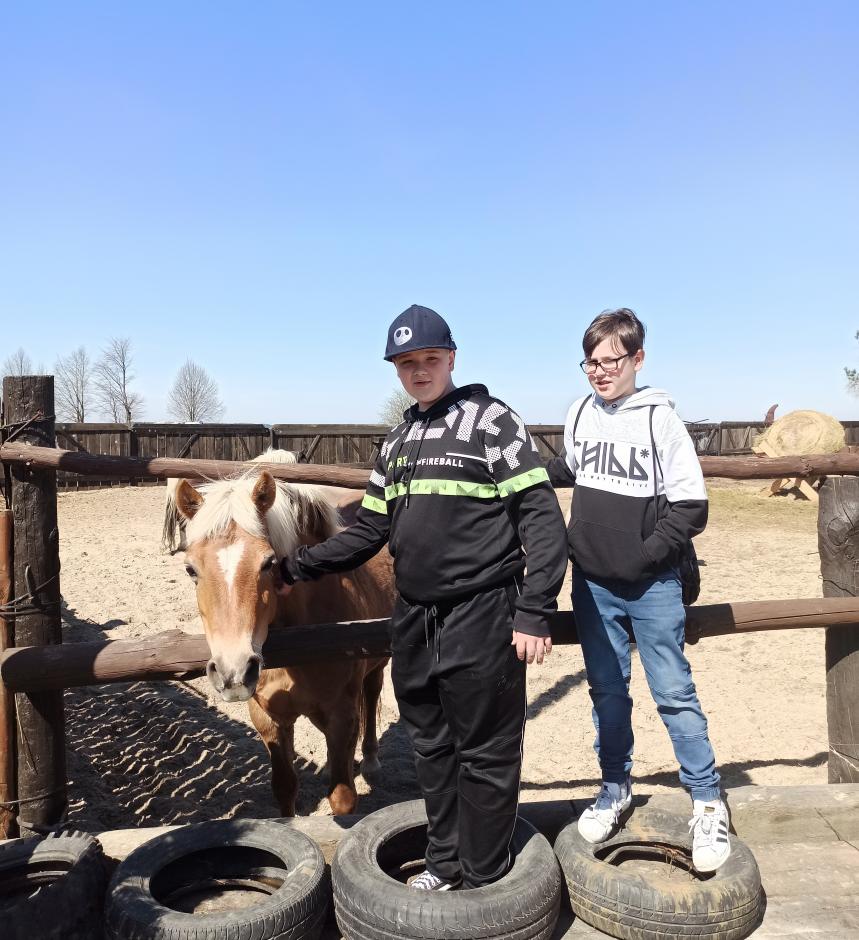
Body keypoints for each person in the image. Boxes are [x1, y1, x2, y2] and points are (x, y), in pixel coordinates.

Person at [279, 304, 568, 890]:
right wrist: (295, 567)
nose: (418, 370)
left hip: (482, 612)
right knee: (430, 746)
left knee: (485, 752)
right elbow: (368, 531)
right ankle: (445, 863)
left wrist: (536, 608)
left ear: (451, 358)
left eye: (430, 358)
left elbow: (540, 518)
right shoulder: (398, 440)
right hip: (414, 618)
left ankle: (486, 880)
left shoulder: (492, 423)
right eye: (406, 362)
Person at [547, 307, 730, 872]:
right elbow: (568, 469)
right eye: (591, 362)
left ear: (638, 358)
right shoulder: (580, 412)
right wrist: (515, 470)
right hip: (592, 585)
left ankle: (707, 801)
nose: (600, 372)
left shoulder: (661, 421)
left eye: (612, 360)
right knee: (607, 692)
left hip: (652, 587)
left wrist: (645, 555)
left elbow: (692, 507)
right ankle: (614, 788)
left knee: (673, 693)